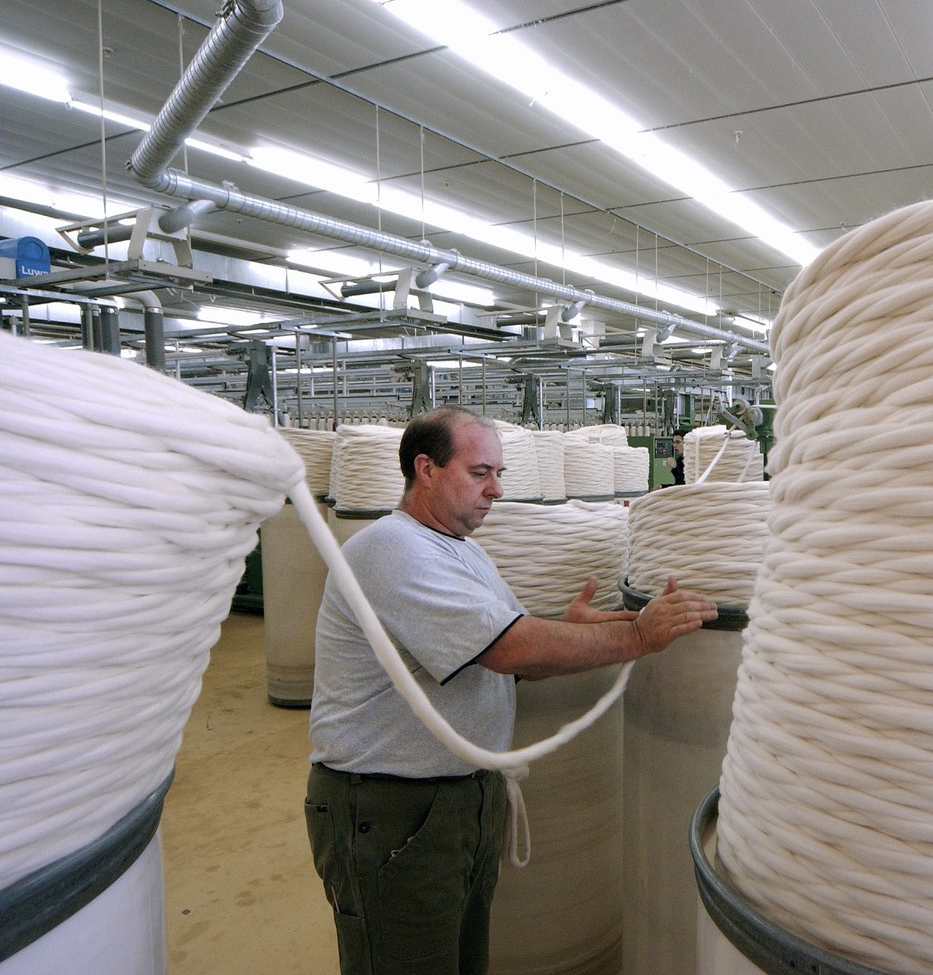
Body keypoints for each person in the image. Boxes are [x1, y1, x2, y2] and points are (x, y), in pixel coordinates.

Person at [305, 406, 717, 975]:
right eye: (480, 473)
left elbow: (510, 656)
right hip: (390, 807)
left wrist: (600, 627)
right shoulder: (393, 550)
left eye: (498, 473)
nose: (497, 490)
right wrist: (639, 638)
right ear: (425, 469)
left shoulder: (463, 551)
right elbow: (512, 648)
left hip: (455, 802)